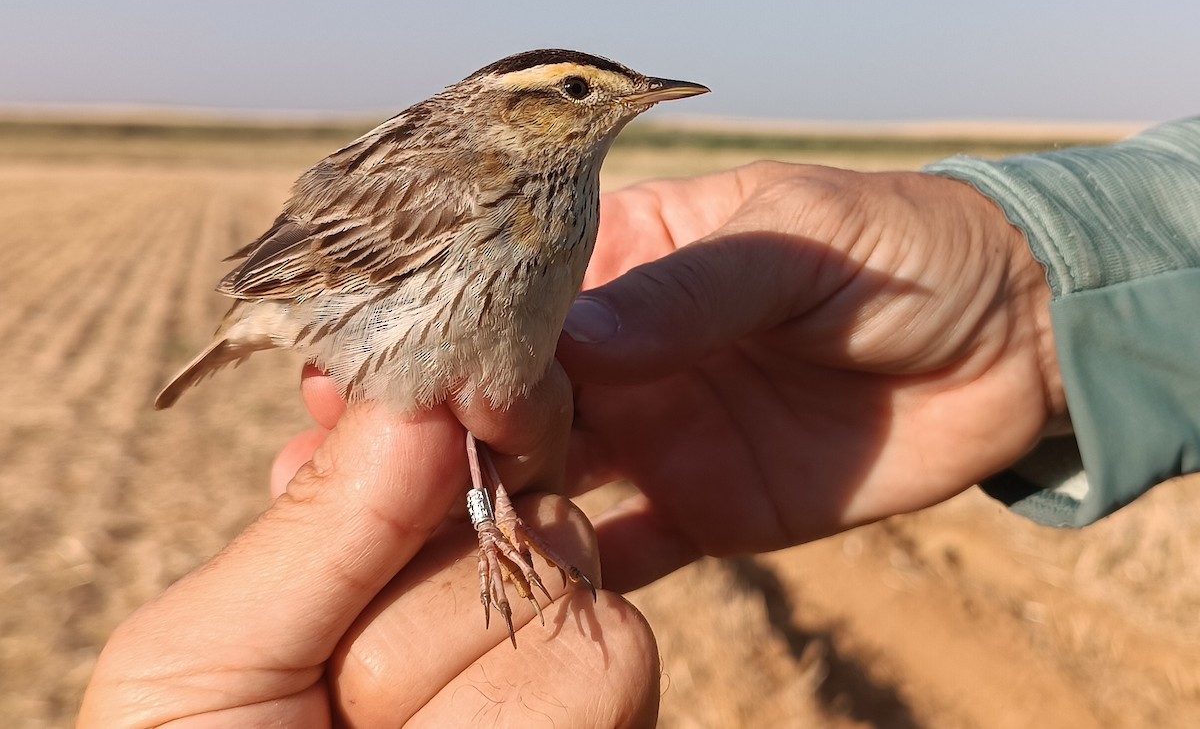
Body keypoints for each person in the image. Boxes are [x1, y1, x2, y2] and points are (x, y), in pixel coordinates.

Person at [79, 117, 1200, 727]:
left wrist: (1032, 309)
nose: (612, 104)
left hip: (453, 376)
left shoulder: (571, 198)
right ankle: (481, 509)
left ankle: (486, 511)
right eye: (574, 92)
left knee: (466, 420)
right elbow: (321, 261)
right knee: (408, 422)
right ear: (516, 117)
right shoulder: (457, 180)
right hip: (323, 304)